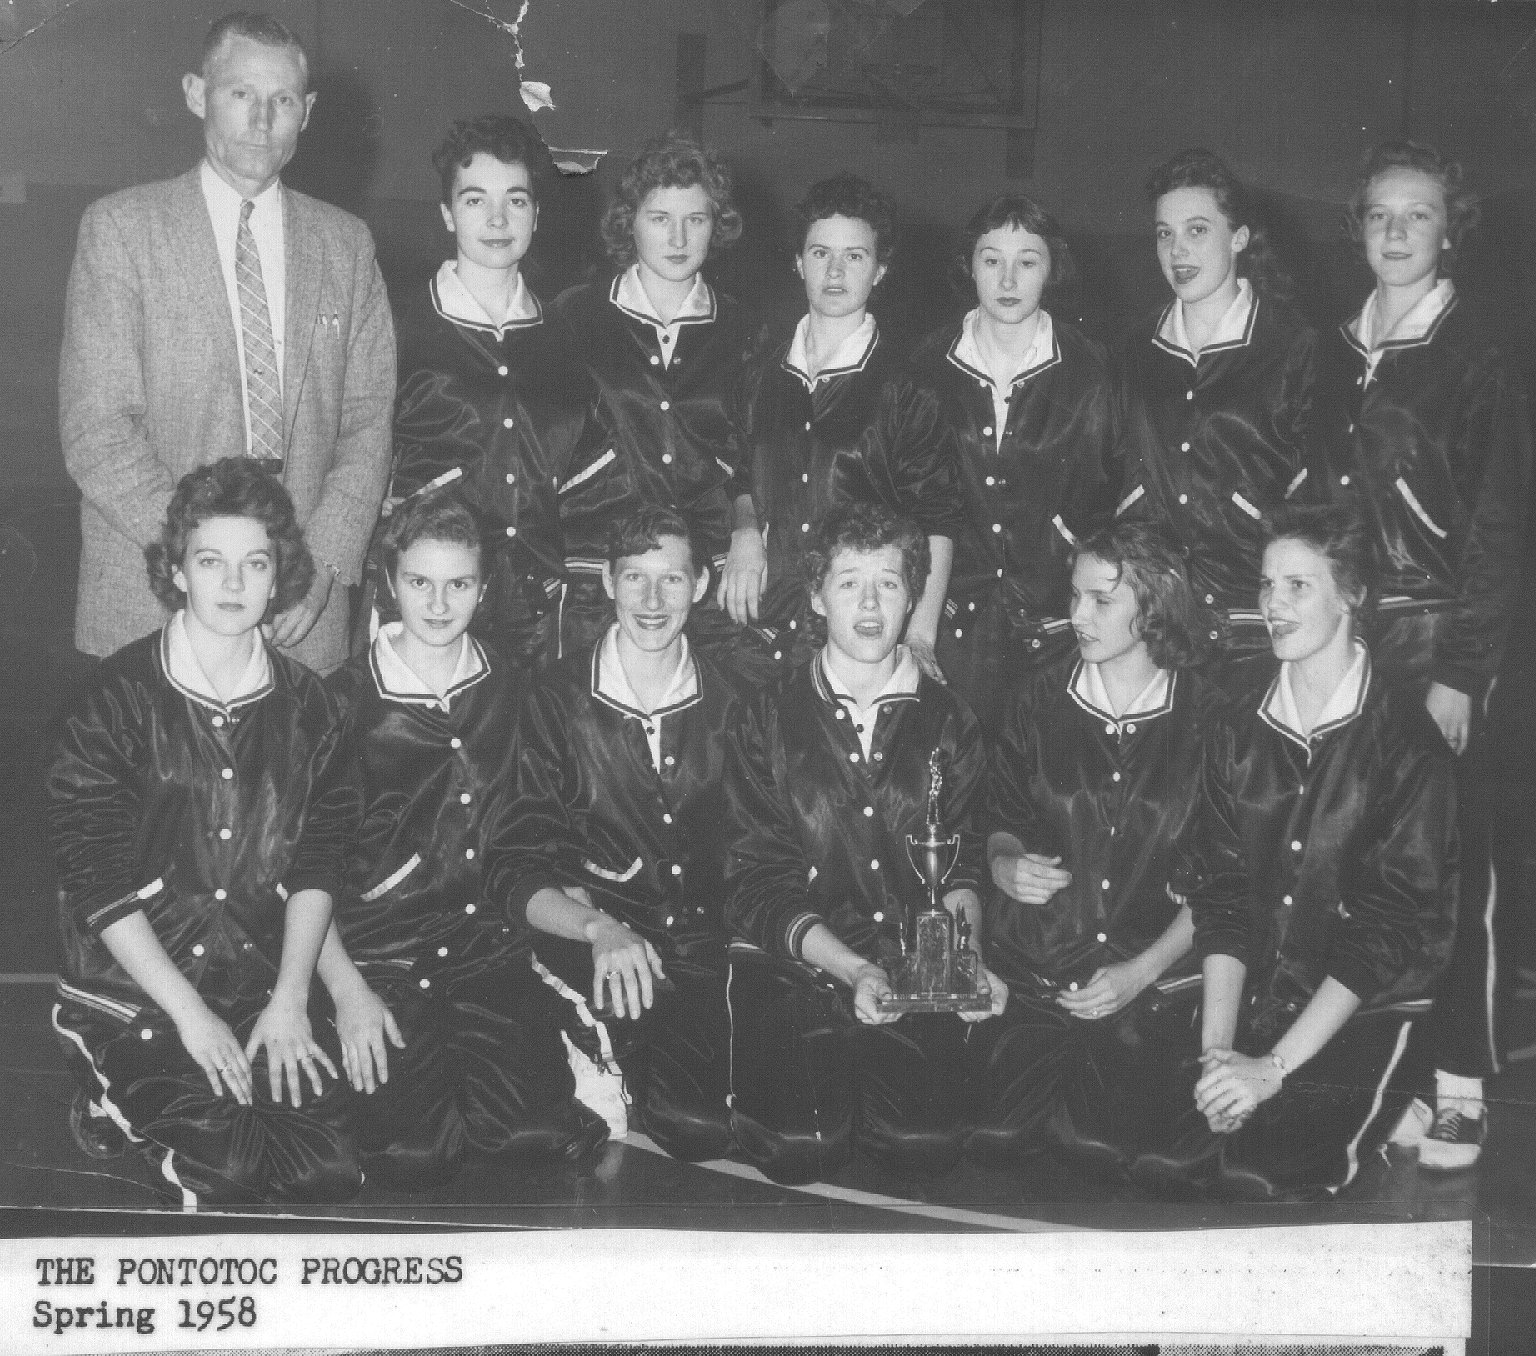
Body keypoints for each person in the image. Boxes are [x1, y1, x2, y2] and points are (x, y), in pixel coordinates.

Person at [47, 458, 362, 1207]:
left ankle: (200, 1101)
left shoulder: (312, 707)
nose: (232, 583)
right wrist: (192, 1018)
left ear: (278, 573)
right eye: (210, 561)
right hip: (137, 992)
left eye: (254, 564)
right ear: (177, 571)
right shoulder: (115, 698)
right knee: (227, 1173)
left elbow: (319, 862)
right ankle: (103, 1089)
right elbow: (95, 879)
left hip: (253, 983)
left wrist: (290, 998)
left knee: (331, 1167)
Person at [1129, 504, 1456, 1200]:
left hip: (1366, 1002)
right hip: (1262, 990)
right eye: (1265, 585)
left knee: (1265, 1182)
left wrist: (1270, 1069)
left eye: (1298, 586)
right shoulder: (1235, 722)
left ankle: (1403, 1091)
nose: (1272, 606)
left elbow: (1386, 934)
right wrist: (1219, 1054)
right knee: (1147, 1159)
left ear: (1352, 597)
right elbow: (1219, 888)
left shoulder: (1408, 746)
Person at [59, 10, 395, 675]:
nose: (262, 119)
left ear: (308, 112)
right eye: (241, 93)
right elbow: (96, 431)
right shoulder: (121, 231)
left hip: (301, 612)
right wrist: (212, 563)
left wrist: (320, 566)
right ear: (195, 94)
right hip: (152, 601)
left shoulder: (346, 246)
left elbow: (367, 423)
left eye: (283, 100)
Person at [1324, 141, 1532, 1169]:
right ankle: (1392, 1076)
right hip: (1349, 644)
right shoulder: (1340, 344)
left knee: (1449, 872)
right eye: (1378, 215)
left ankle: (1460, 1085)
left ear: (1451, 229)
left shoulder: (1479, 350)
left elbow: (1500, 528)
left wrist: (1462, 668)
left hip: (1437, 643)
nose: (1395, 232)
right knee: (1364, 873)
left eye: (1417, 215)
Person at [319, 493, 610, 1189]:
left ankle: (539, 1057)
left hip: (485, 951)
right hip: (379, 958)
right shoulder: (338, 700)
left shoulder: (512, 688)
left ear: (483, 589)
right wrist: (347, 991)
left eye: (459, 584)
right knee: (411, 1156)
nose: (439, 603)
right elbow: (306, 873)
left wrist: (595, 924)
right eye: (420, 582)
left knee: (529, 1136)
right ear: (390, 583)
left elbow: (527, 844)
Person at [723, 503, 1004, 1185]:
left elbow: (960, 864)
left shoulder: (949, 720)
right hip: (799, 969)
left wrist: (963, 962)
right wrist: (850, 970)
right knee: (801, 1149)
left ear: (913, 597)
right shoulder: (763, 714)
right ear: (818, 598)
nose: (871, 603)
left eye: (889, 582)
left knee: (924, 1150)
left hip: (909, 973)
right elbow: (755, 876)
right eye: (850, 582)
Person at [486, 506, 748, 1162]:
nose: (653, 601)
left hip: (693, 947)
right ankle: (574, 1033)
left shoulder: (736, 702)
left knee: (701, 1130)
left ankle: (621, 1047)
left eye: (671, 580)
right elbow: (516, 869)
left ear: (703, 585)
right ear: (605, 581)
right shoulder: (553, 697)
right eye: (634, 579)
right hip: (593, 939)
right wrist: (599, 929)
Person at [967, 523, 1215, 1169]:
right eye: (1074, 596)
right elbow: (997, 814)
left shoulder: (1210, 719)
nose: (1077, 616)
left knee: (1101, 1150)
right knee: (994, 1140)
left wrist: (1143, 971)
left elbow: (1228, 878)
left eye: (1101, 601)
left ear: (1155, 605)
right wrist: (1003, 863)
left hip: (1148, 978)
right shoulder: (1036, 699)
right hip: (1036, 969)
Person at [375, 114, 608, 668]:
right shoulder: (398, 325)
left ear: (536, 214)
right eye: (476, 200)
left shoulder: (566, 334)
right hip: (428, 615)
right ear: (446, 214)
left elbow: (591, 484)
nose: (498, 219)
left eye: (517, 200)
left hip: (537, 615)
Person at [722, 174, 961, 683]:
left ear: (879, 271)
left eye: (854, 256)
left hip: (858, 637)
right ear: (798, 262)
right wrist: (745, 528)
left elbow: (937, 518)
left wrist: (920, 634)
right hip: (763, 633)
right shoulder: (761, 371)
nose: (834, 271)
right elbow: (741, 474)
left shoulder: (909, 381)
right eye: (820, 253)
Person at [1115, 149, 1323, 695]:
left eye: (1197, 230)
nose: (1177, 250)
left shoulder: (1293, 349)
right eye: (1164, 234)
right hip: (1149, 622)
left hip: (1250, 624)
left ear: (1239, 238)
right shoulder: (1131, 353)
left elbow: (1316, 498)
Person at [909, 194, 1115, 732]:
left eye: (1027, 261)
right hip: (949, 627)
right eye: (991, 259)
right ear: (970, 266)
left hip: (1056, 629)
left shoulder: (1092, 372)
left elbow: (1108, 496)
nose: (1007, 279)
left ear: (1052, 270)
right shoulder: (925, 367)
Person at [553, 133, 750, 659]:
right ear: (629, 221)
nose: (679, 237)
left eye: (696, 219)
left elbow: (757, 456)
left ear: (717, 225)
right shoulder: (573, 317)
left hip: (706, 577)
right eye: (660, 218)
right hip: (596, 572)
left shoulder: (745, 330)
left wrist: (749, 531)